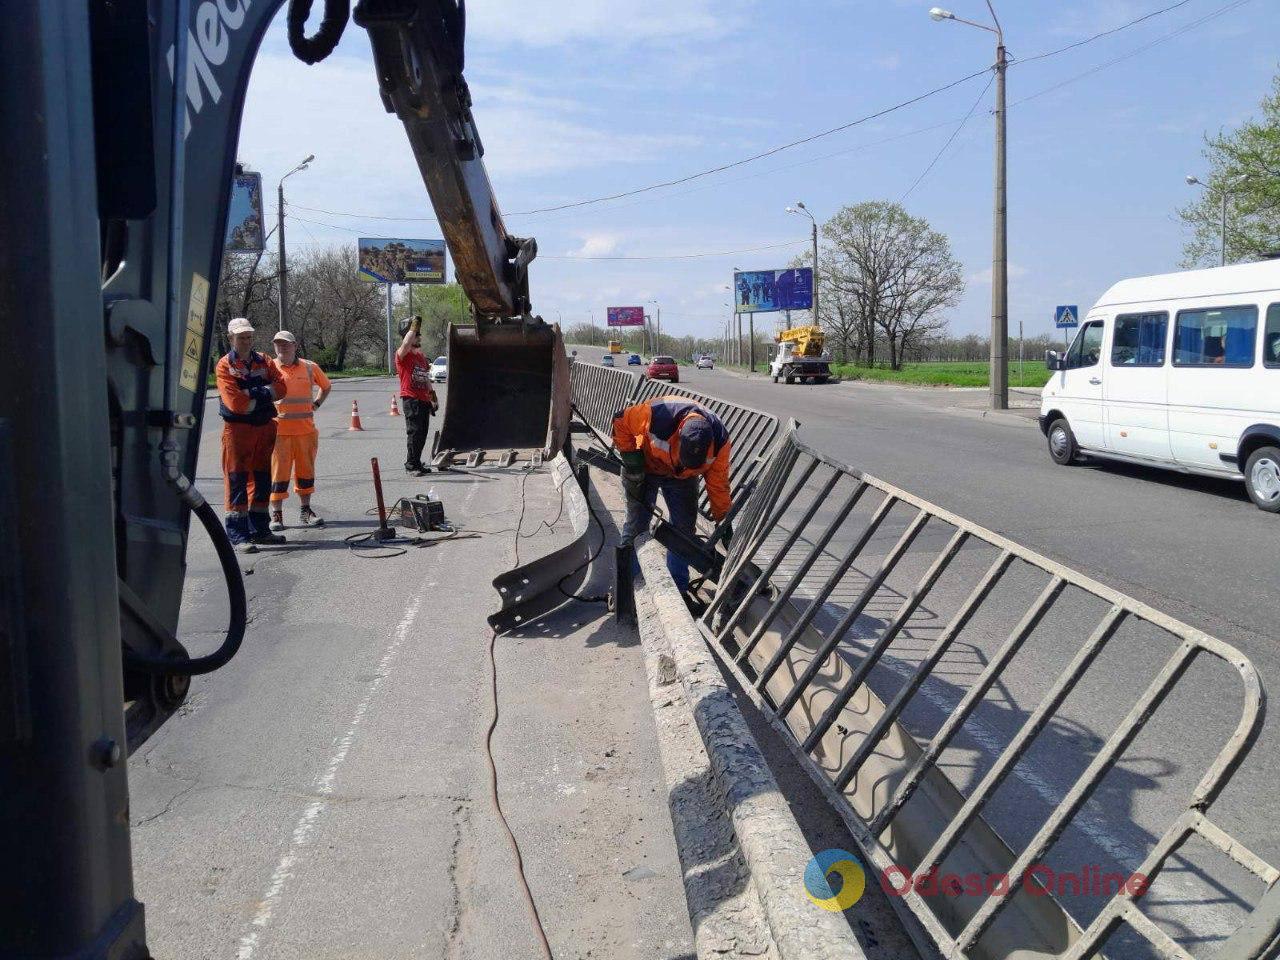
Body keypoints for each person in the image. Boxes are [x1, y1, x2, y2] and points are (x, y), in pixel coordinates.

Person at [613, 396, 732, 592]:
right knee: (636, 526)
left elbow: (718, 485)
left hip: (682, 480)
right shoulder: (656, 415)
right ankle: (628, 589)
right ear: (679, 433)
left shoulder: (720, 441)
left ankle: (678, 589)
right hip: (646, 467)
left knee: (683, 532)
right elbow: (620, 421)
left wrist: (724, 520)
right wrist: (632, 461)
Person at [215, 317, 286, 551]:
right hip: (237, 431)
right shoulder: (225, 365)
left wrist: (250, 393)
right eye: (241, 337)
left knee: (263, 480)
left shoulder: (264, 360)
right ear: (231, 338)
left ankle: (260, 530)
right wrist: (266, 394)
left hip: (264, 428)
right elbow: (236, 404)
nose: (246, 341)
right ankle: (238, 535)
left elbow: (282, 388)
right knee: (237, 481)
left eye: (248, 337)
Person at [268, 330, 332, 530]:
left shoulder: (309, 367)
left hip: (305, 432)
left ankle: (306, 511)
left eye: (286, 344)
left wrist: (317, 404)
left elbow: (326, 385)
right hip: (279, 433)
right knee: (278, 476)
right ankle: (276, 515)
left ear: (295, 346)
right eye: (278, 344)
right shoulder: (269, 368)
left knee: (306, 473)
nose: (282, 347)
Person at [395, 314, 439, 475]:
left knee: (422, 433)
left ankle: (417, 462)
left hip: (423, 399)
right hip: (411, 398)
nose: (419, 337)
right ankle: (411, 465)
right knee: (414, 432)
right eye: (416, 335)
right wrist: (414, 325)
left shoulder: (420, 357)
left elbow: (425, 377)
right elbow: (406, 342)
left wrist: (433, 397)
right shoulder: (402, 355)